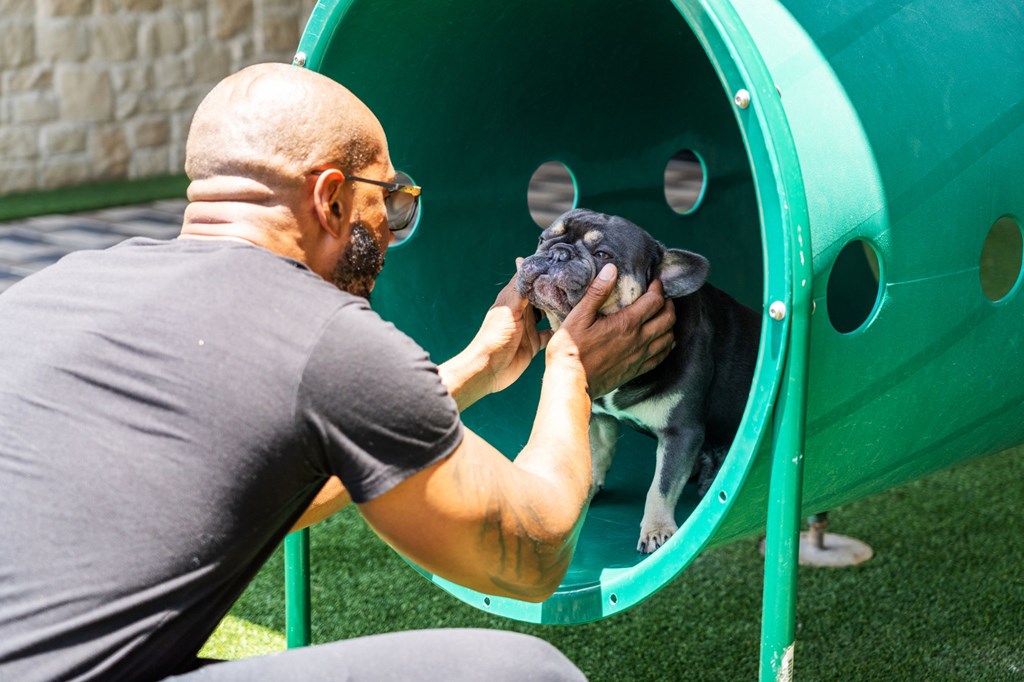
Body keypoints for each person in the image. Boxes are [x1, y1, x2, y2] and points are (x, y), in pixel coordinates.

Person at [0, 63, 675, 681]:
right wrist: (573, 368)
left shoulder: (48, 290)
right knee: (526, 674)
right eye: (391, 198)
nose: (391, 229)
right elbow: (532, 555)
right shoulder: (323, 335)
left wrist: (474, 368)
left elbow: (244, 488)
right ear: (330, 198)